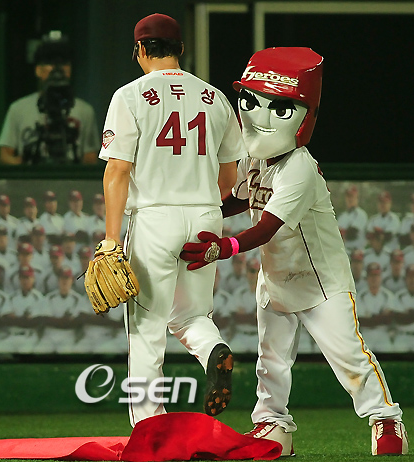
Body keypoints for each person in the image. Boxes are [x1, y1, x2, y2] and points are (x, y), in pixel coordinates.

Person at [180, 47, 407, 456]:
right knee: (270, 360)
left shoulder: (300, 166)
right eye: (251, 101)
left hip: (321, 281)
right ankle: (273, 426)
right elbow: (238, 200)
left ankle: (386, 419)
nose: (259, 116)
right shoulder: (256, 158)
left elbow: (266, 227)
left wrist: (223, 247)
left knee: (350, 358)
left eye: (278, 107)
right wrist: (197, 212)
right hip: (276, 278)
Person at [98, 13, 247, 426]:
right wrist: (202, 205)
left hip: (154, 218)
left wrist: (111, 239)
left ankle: (149, 426)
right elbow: (229, 176)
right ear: (181, 49)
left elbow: (118, 171)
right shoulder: (215, 98)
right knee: (192, 315)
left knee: (147, 328)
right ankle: (213, 349)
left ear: (140, 50)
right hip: (205, 216)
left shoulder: (130, 95)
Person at [0, 31, 100, 165]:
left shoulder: (85, 111)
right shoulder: (18, 109)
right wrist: (25, 166)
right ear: (38, 69)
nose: (57, 69)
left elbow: (90, 158)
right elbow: (5, 155)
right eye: (50, 62)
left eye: (63, 62)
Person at [337, 185, 368, 252]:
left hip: (357, 252)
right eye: (348, 196)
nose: (350, 199)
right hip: (344, 251)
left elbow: (352, 234)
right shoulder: (342, 216)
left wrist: (341, 233)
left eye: (352, 196)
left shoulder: (361, 214)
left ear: (357, 198)